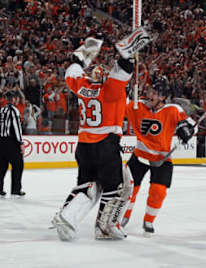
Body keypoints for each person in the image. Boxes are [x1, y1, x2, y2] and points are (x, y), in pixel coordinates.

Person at [51, 35, 144, 241]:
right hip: (106, 144)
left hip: (84, 145)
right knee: (115, 187)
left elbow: (73, 70)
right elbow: (123, 72)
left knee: (87, 184)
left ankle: (67, 216)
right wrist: (128, 55)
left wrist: (83, 55)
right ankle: (105, 227)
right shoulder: (112, 90)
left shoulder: (82, 87)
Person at [121, 85, 196, 236]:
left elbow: (193, 125)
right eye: (150, 92)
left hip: (162, 158)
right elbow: (121, 104)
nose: (150, 95)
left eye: (154, 93)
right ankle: (123, 216)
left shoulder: (173, 109)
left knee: (159, 191)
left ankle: (149, 220)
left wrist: (187, 130)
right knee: (129, 189)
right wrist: (124, 90)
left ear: (162, 97)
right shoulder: (138, 106)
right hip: (140, 155)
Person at [0, 90, 25, 198]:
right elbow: (17, 127)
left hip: (1, 142)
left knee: (1, 167)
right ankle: (16, 190)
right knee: (18, 165)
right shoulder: (14, 110)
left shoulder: (2, 110)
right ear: (14, 99)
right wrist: (21, 143)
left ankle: (0, 189)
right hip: (11, 142)